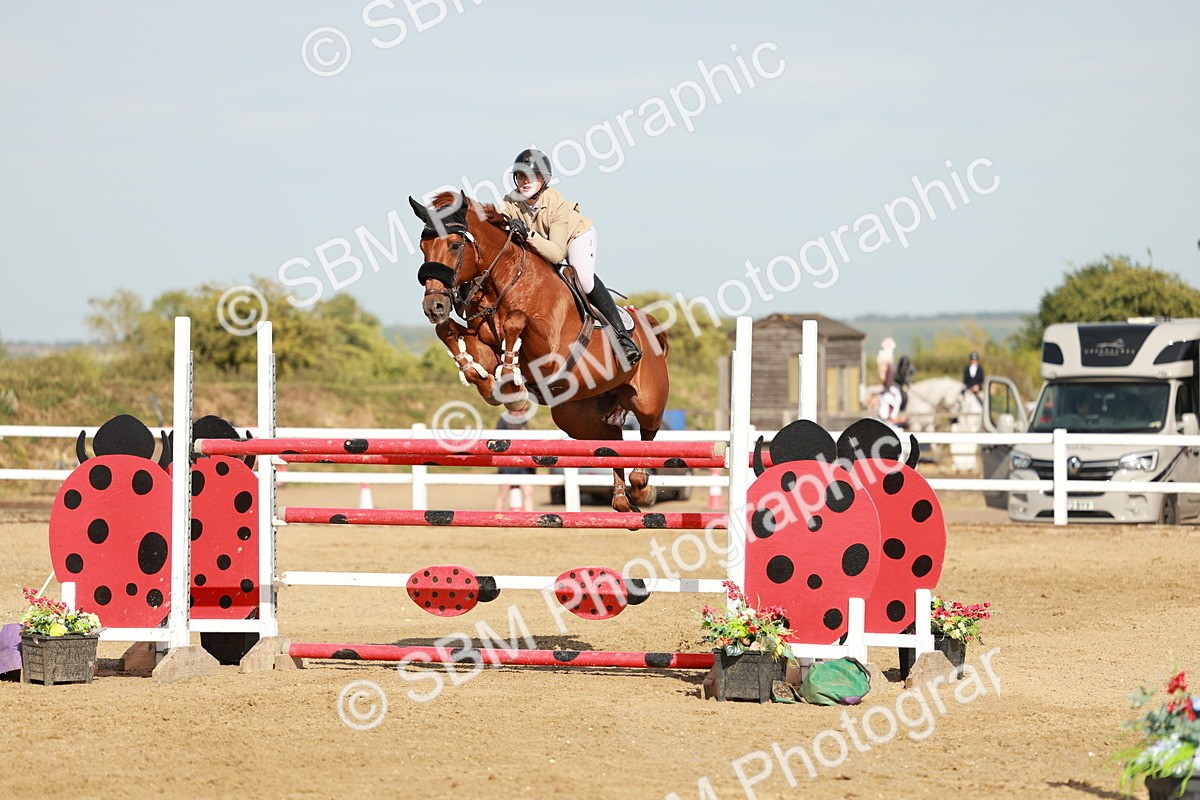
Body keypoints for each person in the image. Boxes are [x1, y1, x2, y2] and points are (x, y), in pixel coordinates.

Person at [500, 148, 641, 365]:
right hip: (541, 244)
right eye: (520, 176)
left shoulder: (554, 201)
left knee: (582, 278)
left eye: (532, 176)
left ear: (544, 179)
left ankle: (623, 337)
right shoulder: (510, 202)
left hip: (575, 237)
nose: (525, 181)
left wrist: (528, 234)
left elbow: (557, 254)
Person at [494, 409, 535, 512]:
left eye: (525, 410)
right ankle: (496, 517)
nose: (523, 413)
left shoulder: (523, 422)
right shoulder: (504, 421)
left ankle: (530, 519)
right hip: (508, 463)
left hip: (522, 463)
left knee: (528, 492)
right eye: (521, 410)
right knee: (503, 494)